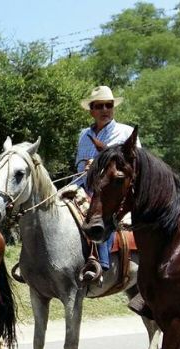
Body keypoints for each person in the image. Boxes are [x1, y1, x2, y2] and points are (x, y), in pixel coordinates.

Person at [75, 86, 140, 282]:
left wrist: (97, 166)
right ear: (91, 110)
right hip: (82, 185)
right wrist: (83, 169)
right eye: (99, 106)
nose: (105, 110)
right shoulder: (83, 135)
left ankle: (101, 263)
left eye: (109, 105)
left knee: (99, 213)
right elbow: (78, 165)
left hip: (113, 190)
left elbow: (135, 166)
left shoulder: (126, 132)